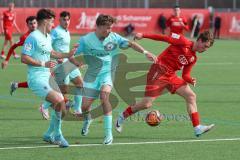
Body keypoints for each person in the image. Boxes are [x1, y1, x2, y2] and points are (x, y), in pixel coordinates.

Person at [69, 14, 156, 145]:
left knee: (104, 98)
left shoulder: (113, 37)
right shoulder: (85, 40)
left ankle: (108, 135)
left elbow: (131, 44)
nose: (109, 30)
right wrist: (75, 62)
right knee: (85, 106)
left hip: (107, 73)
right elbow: (71, 54)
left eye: (111, 28)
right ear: (98, 26)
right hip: (92, 76)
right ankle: (88, 119)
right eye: (107, 28)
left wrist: (145, 52)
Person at [115, 30, 215, 137]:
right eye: (205, 46)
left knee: (191, 96)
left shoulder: (193, 58)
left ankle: (197, 128)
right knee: (146, 104)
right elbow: (163, 37)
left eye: (207, 48)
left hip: (171, 76)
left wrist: (190, 79)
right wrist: (144, 35)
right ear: (199, 40)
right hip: (158, 71)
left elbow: (185, 75)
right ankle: (122, 116)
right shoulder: (182, 41)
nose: (205, 49)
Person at [21, 8, 76, 148]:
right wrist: (42, 63)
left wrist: (68, 55)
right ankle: (58, 136)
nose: (53, 24)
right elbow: (24, 57)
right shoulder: (33, 37)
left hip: (47, 77)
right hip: (36, 78)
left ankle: (50, 134)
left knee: (62, 107)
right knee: (59, 100)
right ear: (45, 21)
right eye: (52, 21)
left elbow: (52, 53)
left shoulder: (47, 37)